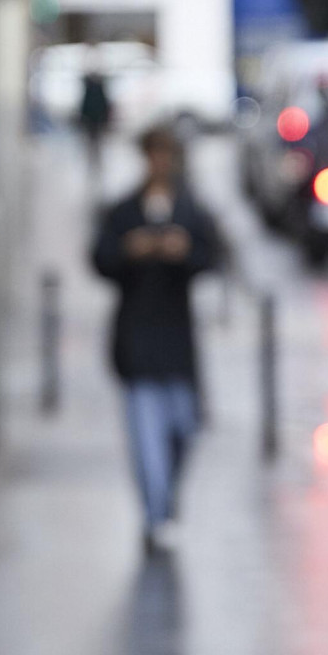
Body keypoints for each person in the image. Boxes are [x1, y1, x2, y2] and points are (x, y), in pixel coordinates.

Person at [91, 125, 223, 552]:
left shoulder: (188, 209)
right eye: (154, 155)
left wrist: (182, 251)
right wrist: (133, 250)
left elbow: (211, 256)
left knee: (183, 428)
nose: (160, 164)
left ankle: (165, 501)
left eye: (167, 155)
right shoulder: (125, 210)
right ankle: (154, 516)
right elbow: (100, 258)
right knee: (146, 437)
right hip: (136, 339)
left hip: (177, 341)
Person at [77, 58, 113, 176]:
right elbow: (85, 103)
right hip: (91, 119)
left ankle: (97, 163)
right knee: (91, 143)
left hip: (97, 118)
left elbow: (104, 102)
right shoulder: (89, 85)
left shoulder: (99, 85)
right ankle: (92, 163)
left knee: (97, 143)